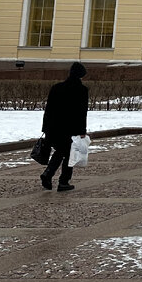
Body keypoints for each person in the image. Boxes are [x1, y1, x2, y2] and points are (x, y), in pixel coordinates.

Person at [39, 62, 89, 192]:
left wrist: (45, 128)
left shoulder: (56, 88)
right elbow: (82, 113)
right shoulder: (82, 90)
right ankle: (62, 181)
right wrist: (82, 131)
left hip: (54, 127)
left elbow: (48, 110)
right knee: (69, 154)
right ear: (81, 76)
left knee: (60, 152)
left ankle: (49, 175)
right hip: (71, 129)